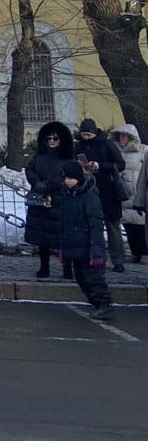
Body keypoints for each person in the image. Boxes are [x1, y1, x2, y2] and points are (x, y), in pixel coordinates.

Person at [59, 160, 115, 320]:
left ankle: (104, 304)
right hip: (74, 243)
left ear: (78, 177)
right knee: (81, 278)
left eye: (70, 178)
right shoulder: (68, 195)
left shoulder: (89, 196)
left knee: (94, 278)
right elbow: (64, 222)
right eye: (65, 178)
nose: (67, 181)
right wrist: (63, 244)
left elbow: (95, 223)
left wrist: (96, 247)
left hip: (88, 245)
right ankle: (96, 303)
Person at [76, 118, 127, 272]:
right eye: (83, 135)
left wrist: (99, 165)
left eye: (88, 135)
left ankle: (118, 260)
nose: (86, 138)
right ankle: (96, 259)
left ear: (94, 133)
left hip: (108, 191)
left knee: (113, 227)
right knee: (91, 228)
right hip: (87, 191)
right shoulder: (78, 146)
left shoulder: (107, 144)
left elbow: (120, 164)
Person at [27, 121, 73, 279]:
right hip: (40, 201)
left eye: (55, 138)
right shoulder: (39, 156)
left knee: (63, 238)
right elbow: (30, 169)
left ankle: (67, 269)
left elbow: (70, 176)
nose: (51, 141)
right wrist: (36, 183)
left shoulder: (67, 158)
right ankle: (44, 268)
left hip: (60, 200)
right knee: (42, 238)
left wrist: (50, 185)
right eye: (48, 139)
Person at [109, 124, 145, 263]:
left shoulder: (143, 151)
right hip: (123, 193)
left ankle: (144, 253)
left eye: (125, 135)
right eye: (120, 135)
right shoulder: (116, 152)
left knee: (140, 226)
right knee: (128, 226)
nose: (122, 138)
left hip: (137, 192)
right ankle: (135, 252)